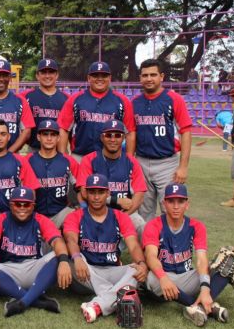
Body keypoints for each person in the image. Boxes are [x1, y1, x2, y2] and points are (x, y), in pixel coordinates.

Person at [143, 183, 234, 326]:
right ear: (164, 203)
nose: (176, 206)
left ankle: (197, 306)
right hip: (162, 281)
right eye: (171, 201)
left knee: (230, 260)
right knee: (151, 278)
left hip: (186, 278)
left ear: (187, 204)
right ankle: (203, 306)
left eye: (180, 201)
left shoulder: (196, 226)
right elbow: (150, 256)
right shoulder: (153, 225)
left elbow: (201, 260)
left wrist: (204, 289)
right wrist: (163, 278)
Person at [63, 174, 147, 324]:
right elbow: (71, 240)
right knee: (70, 264)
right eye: (92, 192)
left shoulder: (120, 217)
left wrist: (141, 263)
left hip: (112, 270)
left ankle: (98, 305)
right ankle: (119, 294)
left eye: (100, 192)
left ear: (108, 193)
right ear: (86, 193)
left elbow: (133, 244)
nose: (96, 197)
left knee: (136, 270)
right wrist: (76, 257)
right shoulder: (75, 216)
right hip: (86, 272)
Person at [0, 186, 71, 317]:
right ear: (11, 205)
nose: (22, 208)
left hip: (34, 270)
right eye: (18, 204)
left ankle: (22, 302)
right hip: (8, 271)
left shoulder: (41, 220)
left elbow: (58, 242)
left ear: (33, 206)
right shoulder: (0, 220)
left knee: (58, 257)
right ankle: (38, 301)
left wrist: (64, 262)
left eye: (26, 204)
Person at [132, 59, 193, 222]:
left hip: (167, 163)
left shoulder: (174, 99)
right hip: (141, 161)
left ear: (162, 76)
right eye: (145, 75)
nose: (149, 78)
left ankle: (170, 246)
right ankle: (148, 246)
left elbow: (186, 132)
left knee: (171, 208)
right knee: (144, 211)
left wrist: (183, 166)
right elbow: (131, 134)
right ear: (140, 78)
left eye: (153, 74)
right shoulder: (135, 103)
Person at [77, 119, 146, 238]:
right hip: (95, 211)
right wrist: (115, 200)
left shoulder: (131, 162)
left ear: (123, 138)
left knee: (142, 227)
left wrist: (123, 217)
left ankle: (146, 257)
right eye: (108, 135)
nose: (113, 139)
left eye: (117, 135)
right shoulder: (89, 160)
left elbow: (139, 195)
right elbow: (84, 192)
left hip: (125, 212)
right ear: (102, 138)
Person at [57, 61, 136, 160]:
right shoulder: (76, 99)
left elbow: (130, 132)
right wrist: (62, 157)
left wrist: (129, 159)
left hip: (111, 159)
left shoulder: (122, 101)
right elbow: (63, 129)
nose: (100, 78)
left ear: (110, 78)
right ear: (89, 78)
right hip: (80, 157)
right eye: (95, 75)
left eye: (104, 75)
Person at [25, 120, 79, 229]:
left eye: (53, 135)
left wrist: (82, 206)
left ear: (58, 138)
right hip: (35, 214)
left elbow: (81, 188)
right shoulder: (27, 161)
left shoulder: (68, 161)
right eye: (45, 134)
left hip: (62, 212)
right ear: (38, 137)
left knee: (77, 218)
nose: (49, 138)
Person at [18, 58, 69, 151]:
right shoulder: (25, 97)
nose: (47, 75)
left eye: (51, 72)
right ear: (37, 75)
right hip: (34, 149)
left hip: (59, 150)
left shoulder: (67, 99)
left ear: (57, 75)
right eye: (43, 72)